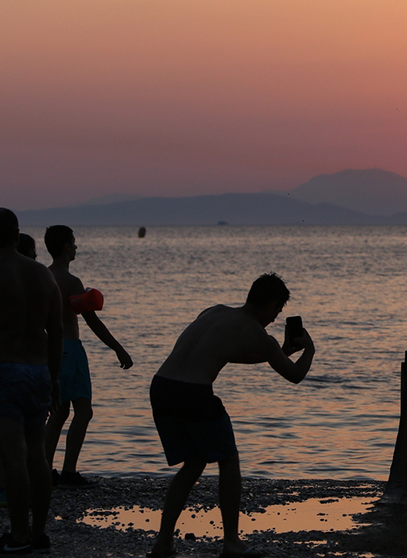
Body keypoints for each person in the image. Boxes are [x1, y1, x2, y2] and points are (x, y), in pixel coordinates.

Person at [148, 273, 315, 558]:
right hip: (193, 393)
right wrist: (309, 349)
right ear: (272, 304)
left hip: (162, 387)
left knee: (194, 463)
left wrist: (279, 351)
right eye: (277, 311)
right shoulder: (259, 335)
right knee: (228, 459)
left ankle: (163, 543)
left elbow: (229, 351)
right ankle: (231, 542)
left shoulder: (215, 311)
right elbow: (295, 375)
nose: (275, 318)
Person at [0, 208, 63, 555]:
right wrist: (53, 376)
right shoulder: (43, 275)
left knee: (14, 457)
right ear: (18, 234)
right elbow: (56, 330)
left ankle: (19, 537)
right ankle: (38, 532)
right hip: (38, 371)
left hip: (4, 372)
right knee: (37, 456)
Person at [43, 225, 133, 489]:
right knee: (83, 411)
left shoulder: (44, 276)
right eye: (73, 242)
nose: (76, 246)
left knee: (58, 411)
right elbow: (92, 321)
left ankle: (45, 469)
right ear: (65, 247)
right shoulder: (71, 282)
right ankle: (69, 472)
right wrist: (117, 347)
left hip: (51, 349)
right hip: (70, 349)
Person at [0, 232, 42, 509]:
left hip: (4, 365)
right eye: (33, 252)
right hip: (32, 366)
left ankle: (6, 487)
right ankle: (27, 498)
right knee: (31, 439)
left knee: (3, 435)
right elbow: (54, 327)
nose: (36, 257)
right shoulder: (39, 278)